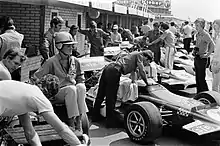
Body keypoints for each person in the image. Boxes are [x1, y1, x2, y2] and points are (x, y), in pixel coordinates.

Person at [0, 78, 88, 146]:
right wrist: (78, 144)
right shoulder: (40, 98)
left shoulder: (24, 91)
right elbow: (61, 129)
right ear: (50, 96)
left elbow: (29, 131)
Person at [34, 31, 88, 133]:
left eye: (72, 46)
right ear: (60, 46)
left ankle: (79, 120)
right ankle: (71, 123)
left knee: (81, 87)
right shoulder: (51, 61)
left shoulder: (75, 61)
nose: (71, 48)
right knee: (71, 89)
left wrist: (81, 83)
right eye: (68, 46)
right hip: (58, 94)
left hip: (73, 92)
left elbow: (80, 76)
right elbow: (37, 77)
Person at [92, 50, 154, 128]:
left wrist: (135, 82)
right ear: (146, 58)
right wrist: (147, 82)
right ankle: (110, 122)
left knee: (100, 94)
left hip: (109, 68)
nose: (145, 64)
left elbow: (134, 73)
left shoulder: (133, 55)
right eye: (147, 62)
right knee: (111, 98)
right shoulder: (139, 55)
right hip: (114, 72)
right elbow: (142, 71)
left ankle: (95, 117)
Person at [193, 18, 215, 93]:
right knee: (197, 78)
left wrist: (207, 55)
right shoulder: (197, 34)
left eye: (197, 25)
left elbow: (212, 45)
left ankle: (206, 93)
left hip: (202, 58)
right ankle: (199, 93)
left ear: (202, 26)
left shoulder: (205, 34)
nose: (196, 27)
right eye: (195, 25)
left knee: (201, 78)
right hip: (197, 57)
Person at [210, 19, 220, 92]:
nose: (214, 27)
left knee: (215, 86)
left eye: (215, 25)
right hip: (215, 62)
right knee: (215, 85)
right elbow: (216, 51)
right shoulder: (218, 37)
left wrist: (218, 65)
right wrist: (212, 61)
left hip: (218, 64)